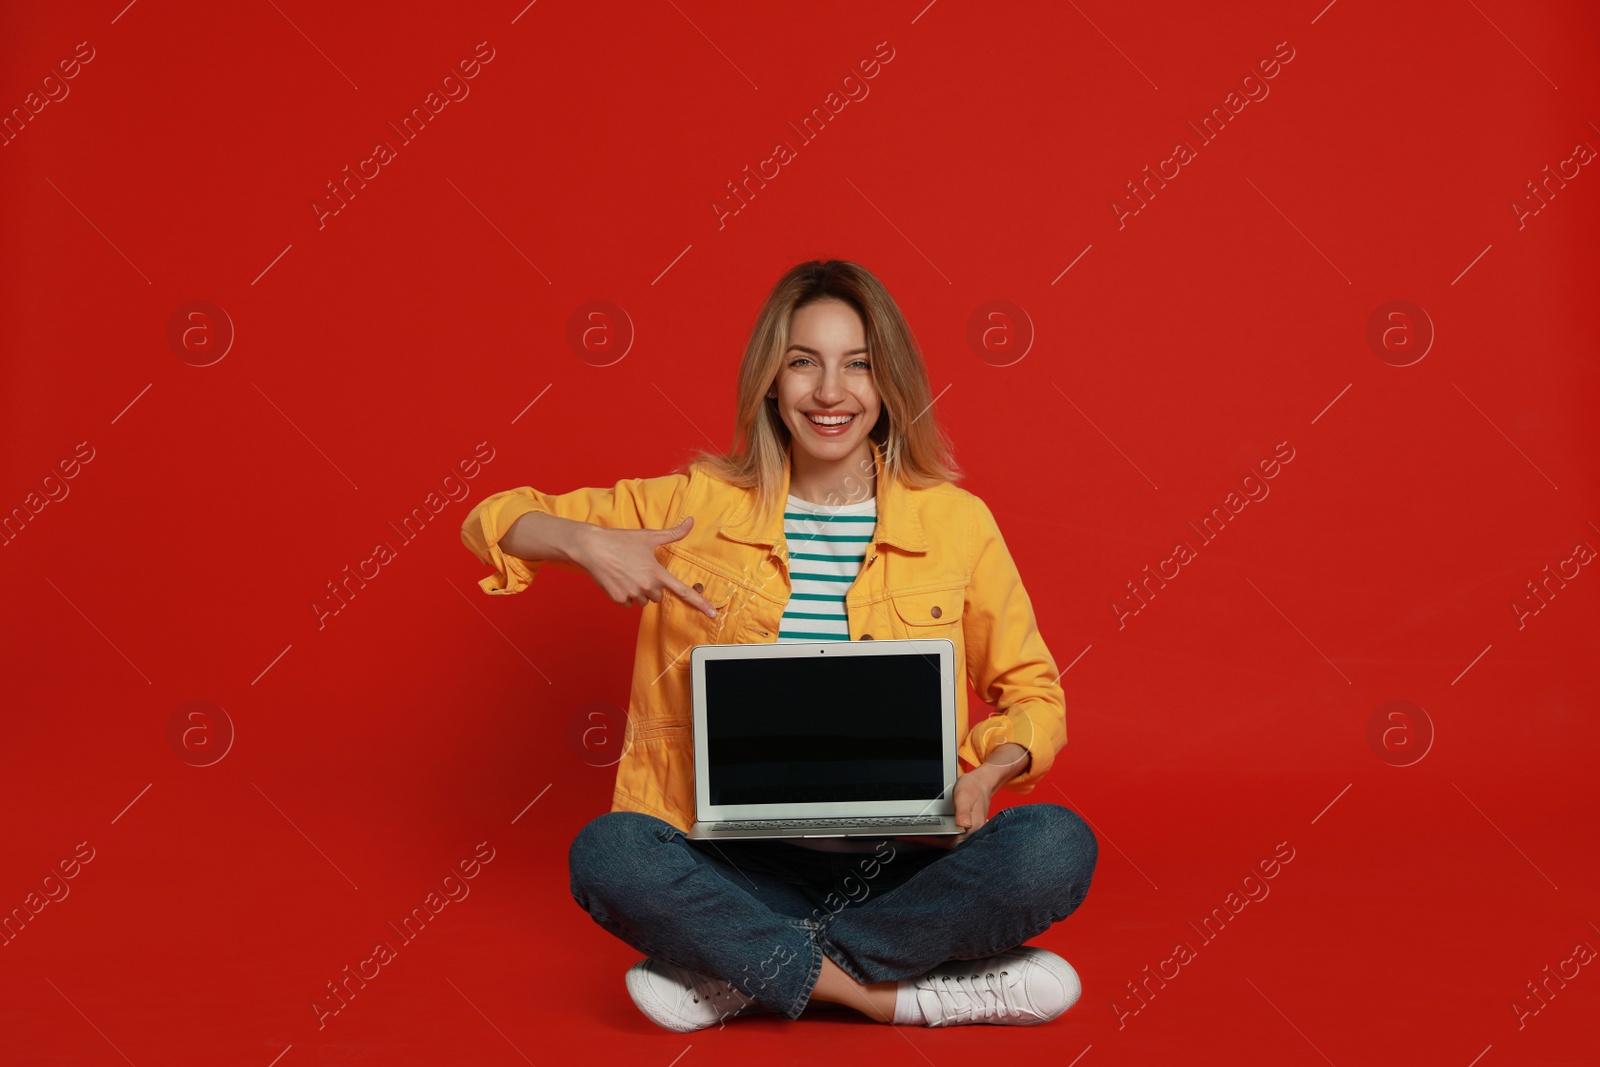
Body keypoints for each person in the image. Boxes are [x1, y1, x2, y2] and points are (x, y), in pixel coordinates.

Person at [460, 259, 1097, 1031]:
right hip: (736, 870)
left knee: (1054, 846)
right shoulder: (695, 504)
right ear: (770, 380)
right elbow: (493, 520)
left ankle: (741, 972)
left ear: (889, 381)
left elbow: (1034, 693)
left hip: (901, 867)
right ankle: (892, 994)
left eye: (858, 364)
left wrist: (993, 769)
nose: (831, 392)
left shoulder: (957, 522)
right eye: (804, 362)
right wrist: (588, 542)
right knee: (611, 853)